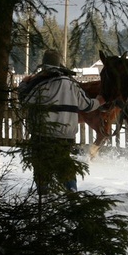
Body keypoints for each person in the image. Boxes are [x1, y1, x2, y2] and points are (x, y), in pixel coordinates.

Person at [19, 49, 106, 194]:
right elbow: (87, 105)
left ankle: (43, 191)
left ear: (44, 65)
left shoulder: (38, 82)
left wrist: (23, 83)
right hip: (65, 135)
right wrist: (99, 101)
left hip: (42, 133)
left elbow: (24, 99)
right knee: (65, 162)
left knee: (41, 162)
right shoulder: (71, 84)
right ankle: (71, 190)